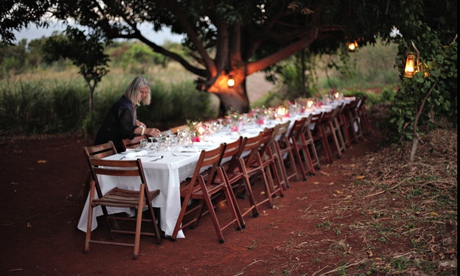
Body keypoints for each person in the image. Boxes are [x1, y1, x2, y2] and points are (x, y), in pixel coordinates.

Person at [94, 76, 162, 152]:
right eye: (141, 92)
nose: (143, 95)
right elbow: (126, 129)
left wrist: (135, 121)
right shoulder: (124, 106)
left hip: (113, 143)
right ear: (134, 90)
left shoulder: (128, 101)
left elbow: (121, 119)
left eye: (146, 92)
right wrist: (146, 131)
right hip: (107, 146)